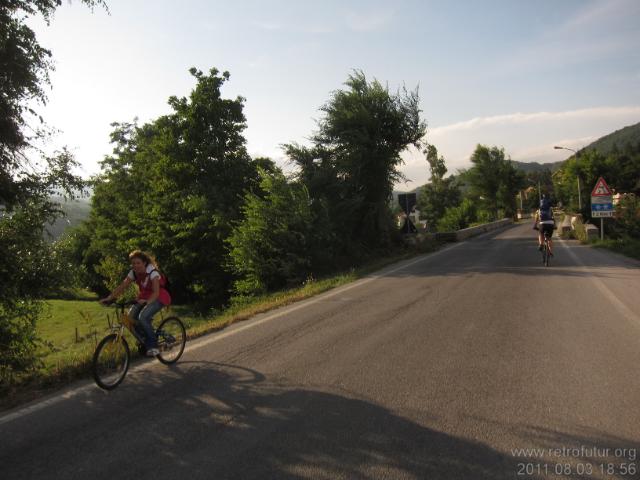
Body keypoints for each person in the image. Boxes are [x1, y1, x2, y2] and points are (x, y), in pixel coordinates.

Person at [100, 250, 171, 356]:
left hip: (159, 297)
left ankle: (153, 345)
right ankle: (144, 339)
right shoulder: (133, 273)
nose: (135, 265)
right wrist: (109, 298)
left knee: (143, 317)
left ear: (144, 263)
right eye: (133, 263)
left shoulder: (153, 272)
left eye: (138, 263)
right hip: (143, 297)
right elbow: (122, 286)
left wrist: (147, 302)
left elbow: (156, 292)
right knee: (130, 318)